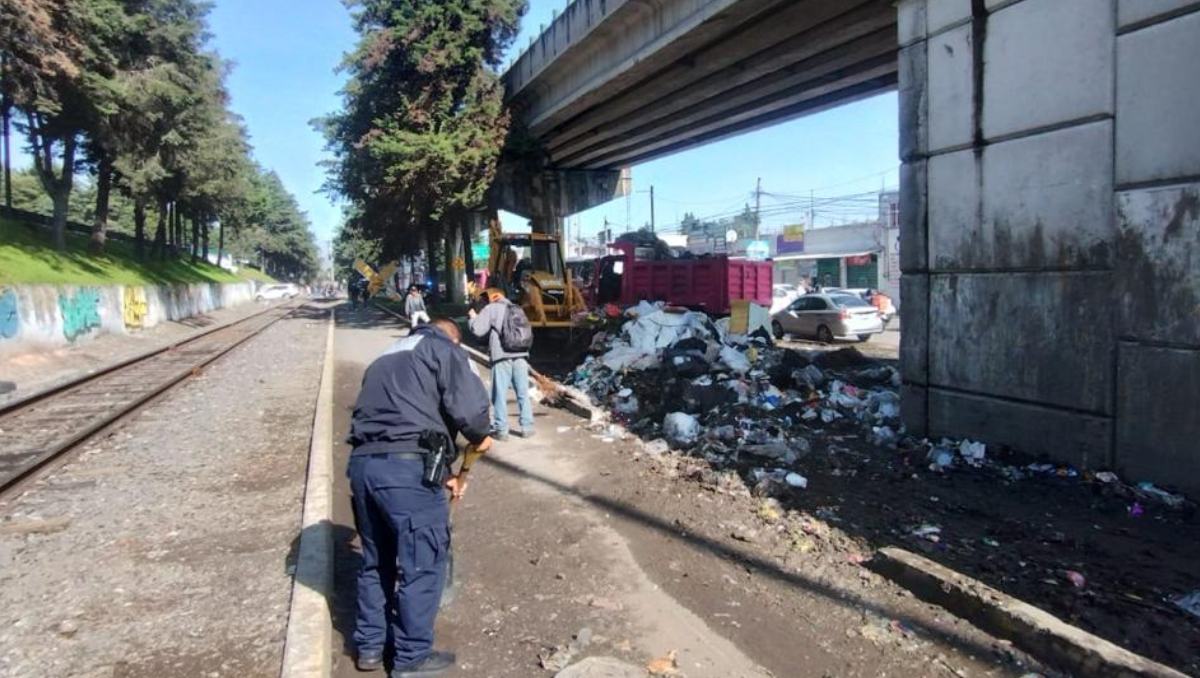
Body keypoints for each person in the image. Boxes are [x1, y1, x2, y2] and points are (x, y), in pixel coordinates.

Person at [346, 318, 492, 676]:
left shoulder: (384, 357)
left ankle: (370, 646)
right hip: (407, 472)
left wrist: (444, 473)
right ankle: (411, 657)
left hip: (364, 466)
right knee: (421, 564)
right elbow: (471, 412)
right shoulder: (443, 349)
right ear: (453, 338)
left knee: (375, 561)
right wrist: (480, 435)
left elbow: (403, 414)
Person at [467, 289, 534, 440]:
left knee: (499, 394)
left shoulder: (492, 308)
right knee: (523, 393)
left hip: (502, 356)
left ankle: (501, 429)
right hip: (521, 355)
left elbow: (478, 330)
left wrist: (472, 318)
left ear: (491, 298)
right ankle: (527, 427)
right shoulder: (517, 308)